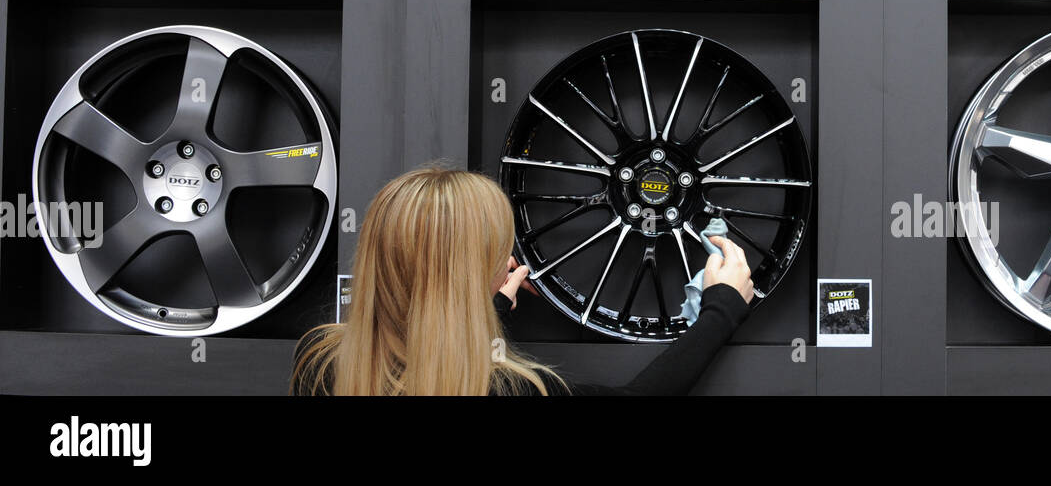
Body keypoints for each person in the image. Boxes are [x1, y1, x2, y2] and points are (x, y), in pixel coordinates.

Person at [291, 165, 753, 395]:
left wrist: (487, 305)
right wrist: (723, 306)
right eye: (497, 253)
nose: (509, 260)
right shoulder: (516, 388)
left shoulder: (321, 361)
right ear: (468, 277)